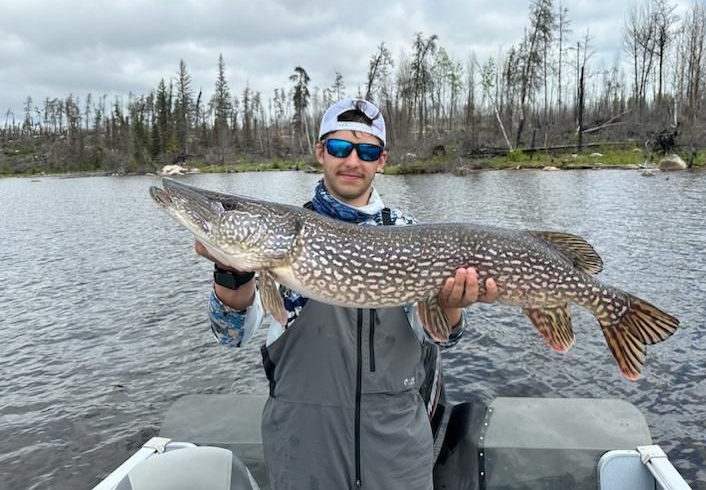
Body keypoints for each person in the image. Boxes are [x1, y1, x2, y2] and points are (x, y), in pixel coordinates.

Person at [195, 97, 498, 490]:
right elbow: (232, 335)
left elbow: (441, 336)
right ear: (320, 152)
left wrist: (450, 309)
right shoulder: (283, 234)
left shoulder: (410, 233)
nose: (352, 161)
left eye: (366, 150)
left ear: (381, 160)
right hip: (305, 455)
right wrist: (230, 273)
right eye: (339, 148)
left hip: (396, 456)